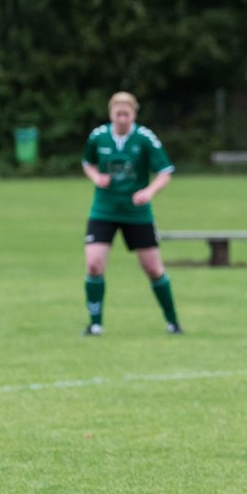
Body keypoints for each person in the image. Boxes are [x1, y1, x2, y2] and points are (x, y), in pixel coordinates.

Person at [80, 91, 182, 336]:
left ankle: (172, 322)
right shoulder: (99, 137)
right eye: (118, 114)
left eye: (126, 114)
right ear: (111, 114)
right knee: (94, 264)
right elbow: (88, 163)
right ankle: (95, 324)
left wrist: (149, 192)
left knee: (153, 269)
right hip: (104, 210)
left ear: (134, 114)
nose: (122, 118)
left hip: (137, 213)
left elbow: (165, 171)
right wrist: (97, 178)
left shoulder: (145, 139)